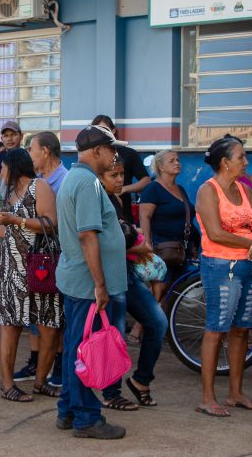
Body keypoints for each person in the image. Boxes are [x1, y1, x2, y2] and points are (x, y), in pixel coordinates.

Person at [54, 125, 127, 440]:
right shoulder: (87, 183)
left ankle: (68, 409)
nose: (114, 157)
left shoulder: (78, 178)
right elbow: (87, 235)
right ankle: (86, 418)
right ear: (97, 151)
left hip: (78, 280)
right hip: (86, 283)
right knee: (87, 351)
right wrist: (100, 284)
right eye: (111, 150)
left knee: (75, 347)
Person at [0, 148, 62, 402]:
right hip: (11, 270)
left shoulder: (40, 186)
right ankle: (7, 385)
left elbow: (50, 223)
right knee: (10, 326)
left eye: (2, 167)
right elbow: (11, 233)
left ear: (12, 166)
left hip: (40, 268)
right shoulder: (9, 193)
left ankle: (40, 381)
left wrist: (14, 219)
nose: (0, 172)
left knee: (48, 326)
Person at [194, 134, 252, 418]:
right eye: (241, 157)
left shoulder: (244, 190)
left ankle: (235, 393)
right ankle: (207, 397)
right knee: (216, 329)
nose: (246, 162)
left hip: (250, 268)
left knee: (241, 329)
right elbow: (215, 233)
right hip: (222, 267)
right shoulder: (208, 191)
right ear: (224, 163)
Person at [100, 158, 167, 410]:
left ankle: (141, 381)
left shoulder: (116, 199)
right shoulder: (99, 200)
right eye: (114, 175)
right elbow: (105, 238)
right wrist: (136, 244)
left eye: (122, 175)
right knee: (115, 335)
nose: (120, 180)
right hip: (110, 275)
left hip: (127, 272)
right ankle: (110, 392)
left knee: (158, 323)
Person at [17, 130, 67, 385]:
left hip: (57, 257)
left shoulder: (63, 181)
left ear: (45, 151)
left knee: (56, 316)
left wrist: (19, 220)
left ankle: (58, 367)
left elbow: (53, 224)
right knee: (40, 315)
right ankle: (38, 364)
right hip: (38, 258)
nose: (29, 155)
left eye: (32, 149)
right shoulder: (39, 179)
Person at [138, 150, 197, 303]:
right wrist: (147, 243)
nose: (177, 163)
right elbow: (145, 216)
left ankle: (162, 324)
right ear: (161, 167)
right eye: (171, 161)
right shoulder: (153, 189)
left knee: (173, 290)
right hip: (162, 247)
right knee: (160, 289)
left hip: (182, 248)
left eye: (178, 160)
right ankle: (142, 326)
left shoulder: (181, 189)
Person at [91, 116, 150, 225]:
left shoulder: (129, 154)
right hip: (99, 217)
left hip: (124, 215)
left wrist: (123, 189)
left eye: (104, 130)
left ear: (113, 131)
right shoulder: (92, 156)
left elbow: (146, 181)